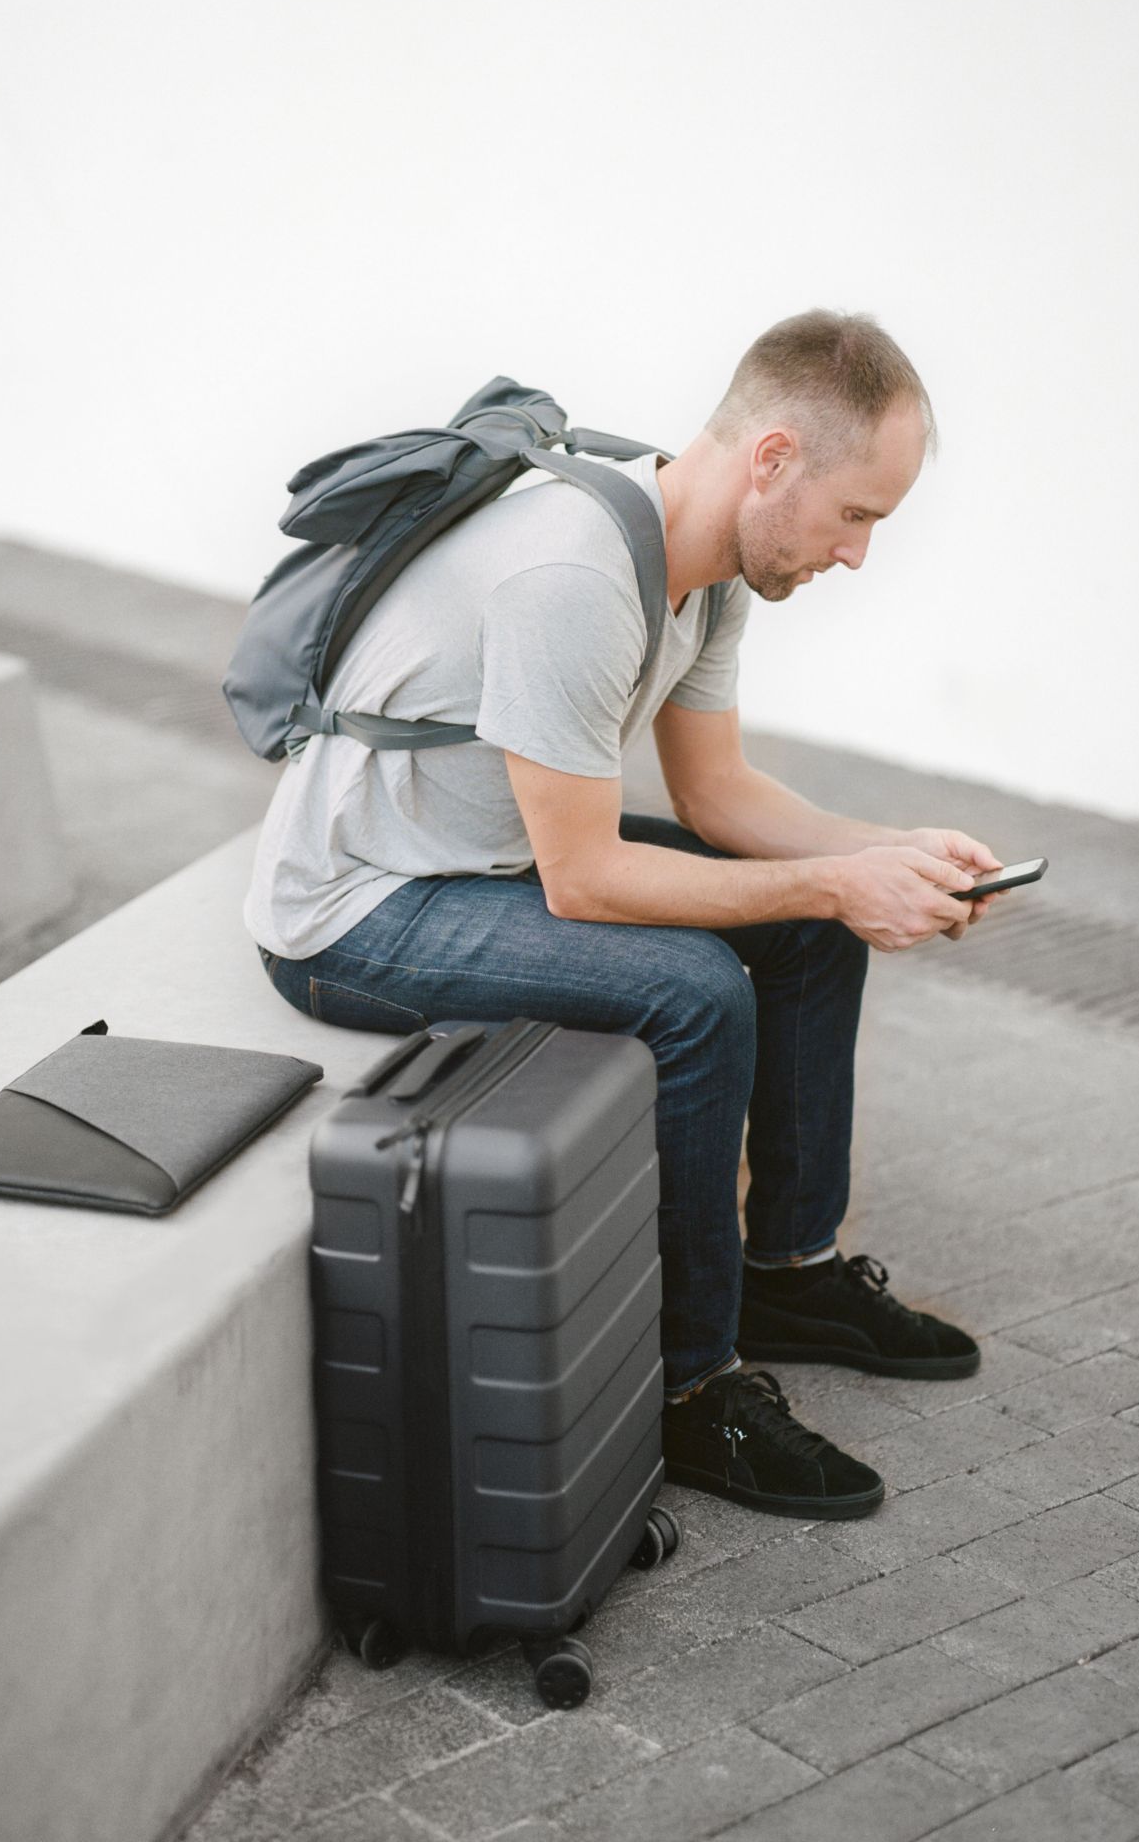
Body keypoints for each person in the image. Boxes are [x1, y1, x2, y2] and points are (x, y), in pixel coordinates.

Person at [245, 309, 1002, 1521]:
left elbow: (716, 795)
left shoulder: (711, 570)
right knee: (695, 990)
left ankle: (789, 1271)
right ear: (771, 462)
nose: (857, 554)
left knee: (809, 929)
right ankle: (693, 1387)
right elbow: (585, 883)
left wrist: (887, 852)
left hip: (487, 858)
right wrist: (832, 879)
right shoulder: (576, 574)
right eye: (856, 515)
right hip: (359, 903)